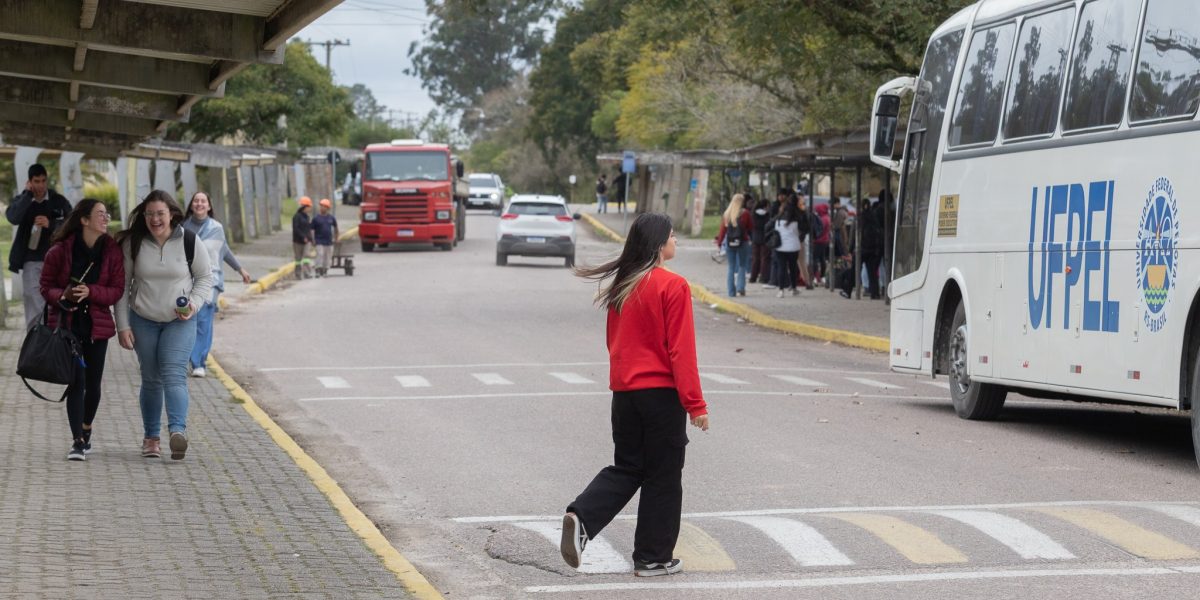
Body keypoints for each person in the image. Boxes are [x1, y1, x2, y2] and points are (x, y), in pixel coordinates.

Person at [563, 213, 709, 578]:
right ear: (660, 245)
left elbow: (615, 343)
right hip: (661, 396)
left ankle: (582, 516)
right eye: (674, 236)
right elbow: (681, 352)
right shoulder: (672, 286)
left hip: (625, 395)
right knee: (663, 475)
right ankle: (653, 557)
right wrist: (695, 404)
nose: (677, 242)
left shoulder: (622, 286)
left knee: (628, 466)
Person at [115, 190, 213, 461]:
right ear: (143, 216)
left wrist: (193, 303)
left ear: (171, 214)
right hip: (143, 319)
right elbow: (122, 287)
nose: (155, 219)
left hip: (179, 322)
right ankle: (151, 438)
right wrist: (122, 325)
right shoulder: (134, 243)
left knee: (174, 373)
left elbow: (205, 277)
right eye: (150, 214)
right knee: (150, 378)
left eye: (160, 213)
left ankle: (177, 433)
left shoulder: (189, 241)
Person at [39, 199, 125, 461]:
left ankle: (86, 428)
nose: (105, 218)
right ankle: (77, 441)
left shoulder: (112, 251)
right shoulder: (60, 251)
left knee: (93, 385)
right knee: (76, 381)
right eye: (100, 214)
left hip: (96, 326)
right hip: (68, 325)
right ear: (84, 220)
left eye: (106, 214)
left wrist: (91, 292)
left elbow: (117, 290)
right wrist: (63, 295)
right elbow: (45, 286)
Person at [183, 191, 252, 377]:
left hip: (210, 280)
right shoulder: (183, 228)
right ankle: (189, 357)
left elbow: (225, 251)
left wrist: (240, 270)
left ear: (209, 206)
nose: (199, 204)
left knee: (203, 320)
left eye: (203, 201)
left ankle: (199, 363)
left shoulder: (217, 228)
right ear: (191, 205)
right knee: (189, 318)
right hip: (186, 279)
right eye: (196, 201)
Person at [7, 163, 72, 331]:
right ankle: (35, 342)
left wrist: (50, 224)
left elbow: (73, 223)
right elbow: (13, 217)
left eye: (44, 181)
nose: (41, 185)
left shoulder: (58, 201)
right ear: (29, 182)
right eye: (36, 181)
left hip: (57, 261)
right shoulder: (22, 200)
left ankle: (53, 342)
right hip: (31, 261)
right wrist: (28, 195)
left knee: (53, 304)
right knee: (33, 303)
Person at [715, 193, 752, 297]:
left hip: (730, 243)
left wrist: (719, 243)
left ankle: (731, 292)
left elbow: (722, 231)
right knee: (742, 265)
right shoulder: (746, 214)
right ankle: (741, 288)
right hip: (743, 242)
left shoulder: (727, 214)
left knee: (731, 267)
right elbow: (750, 227)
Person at [773, 199, 802, 298]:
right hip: (793, 248)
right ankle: (794, 288)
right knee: (793, 268)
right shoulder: (796, 222)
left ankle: (781, 290)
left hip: (780, 247)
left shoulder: (778, 221)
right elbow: (798, 233)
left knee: (781, 268)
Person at [861, 195, 886, 299]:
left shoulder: (864, 217)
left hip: (867, 248)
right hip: (874, 248)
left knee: (867, 269)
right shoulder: (874, 218)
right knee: (876, 269)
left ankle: (869, 288)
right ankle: (876, 291)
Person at [311, 198, 340, 277]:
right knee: (320, 254)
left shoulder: (331, 218)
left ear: (328, 208)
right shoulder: (316, 218)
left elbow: (336, 228)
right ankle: (317, 269)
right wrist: (313, 240)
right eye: (321, 206)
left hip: (329, 241)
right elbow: (312, 230)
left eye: (324, 206)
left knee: (327, 256)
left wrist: (336, 238)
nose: (322, 208)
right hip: (319, 240)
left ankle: (325, 270)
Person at [749, 194, 771, 284]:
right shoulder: (767, 215)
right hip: (765, 238)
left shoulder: (753, 214)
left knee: (755, 258)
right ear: (765, 206)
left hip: (755, 238)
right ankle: (763, 277)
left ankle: (753, 277)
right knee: (764, 258)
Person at [292, 196, 315, 279]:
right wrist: (303, 237)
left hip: (307, 241)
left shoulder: (307, 217)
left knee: (306, 256)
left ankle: (307, 273)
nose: (310, 208)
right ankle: (298, 274)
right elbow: (296, 228)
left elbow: (308, 229)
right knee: (298, 259)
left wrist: (311, 239)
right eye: (309, 206)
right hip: (298, 241)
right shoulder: (296, 217)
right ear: (304, 207)